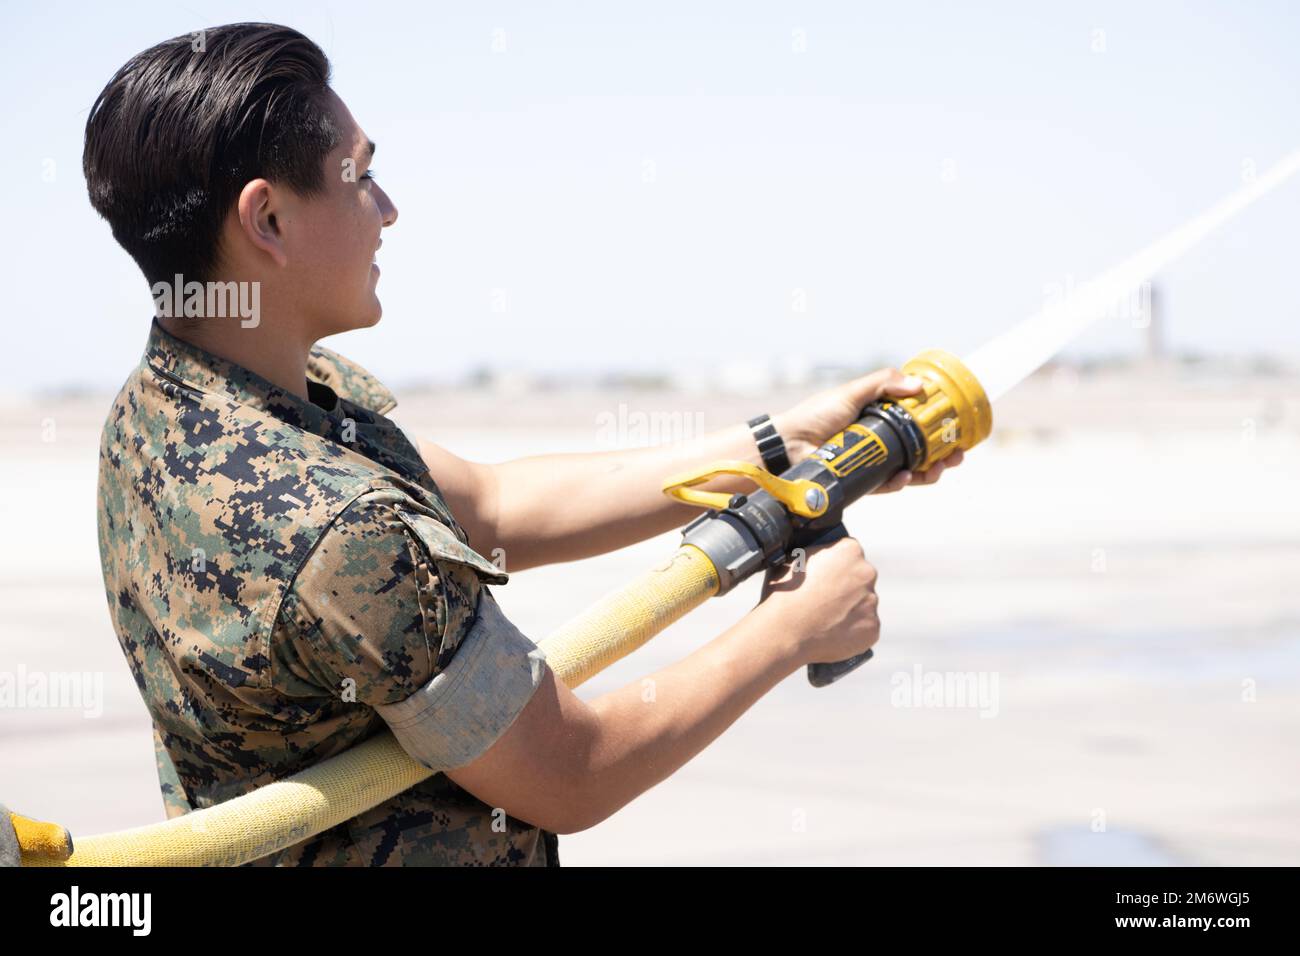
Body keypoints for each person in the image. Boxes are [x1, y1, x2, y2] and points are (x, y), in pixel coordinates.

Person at [83, 21, 961, 866]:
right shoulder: (337, 530)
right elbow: (573, 771)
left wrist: (779, 442)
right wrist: (794, 629)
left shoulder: (164, 408)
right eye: (359, 178)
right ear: (267, 220)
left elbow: (497, 508)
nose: (389, 210)